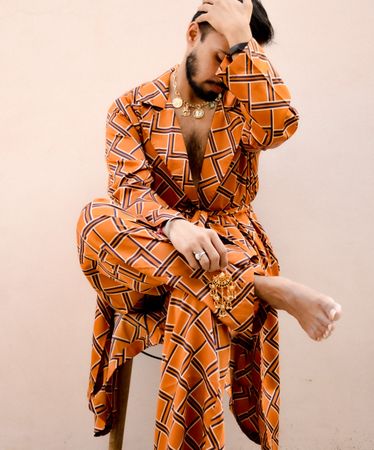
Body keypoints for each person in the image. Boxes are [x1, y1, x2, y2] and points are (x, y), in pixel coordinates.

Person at [75, 0, 342, 448]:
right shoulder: (131, 107)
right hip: (146, 254)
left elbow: (282, 127)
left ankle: (237, 280)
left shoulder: (246, 105)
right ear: (191, 35)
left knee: (195, 297)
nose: (226, 70)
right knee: (95, 216)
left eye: (238, 58)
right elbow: (129, 189)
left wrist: (241, 40)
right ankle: (262, 286)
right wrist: (174, 227)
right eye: (221, 55)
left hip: (221, 249)